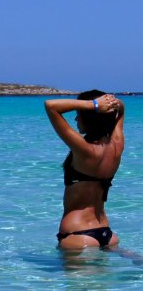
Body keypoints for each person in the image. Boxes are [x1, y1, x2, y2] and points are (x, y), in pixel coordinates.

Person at [44, 90, 124, 249]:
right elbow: (121, 109)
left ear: (90, 116)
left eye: (79, 113)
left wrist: (93, 105)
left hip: (78, 236)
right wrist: (104, 105)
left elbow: (51, 106)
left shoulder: (85, 149)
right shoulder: (117, 144)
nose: (75, 118)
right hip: (107, 234)